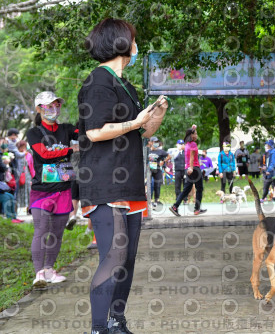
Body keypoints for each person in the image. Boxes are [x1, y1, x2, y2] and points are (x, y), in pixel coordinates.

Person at [78, 18, 169, 334]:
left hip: (129, 183)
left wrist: (155, 116)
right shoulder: (97, 83)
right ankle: (98, 327)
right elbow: (94, 131)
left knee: (126, 260)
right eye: (133, 37)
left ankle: (117, 322)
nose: (136, 43)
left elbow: (142, 132)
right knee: (113, 256)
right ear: (121, 42)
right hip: (104, 183)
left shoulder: (125, 86)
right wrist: (134, 124)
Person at [27, 91, 78, 288]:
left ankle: (49, 269)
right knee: (40, 230)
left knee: (57, 233)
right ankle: (39, 273)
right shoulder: (34, 133)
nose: (54, 109)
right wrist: (71, 149)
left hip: (64, 189)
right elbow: (45, 153)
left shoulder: (66, 129)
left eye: (57, 105)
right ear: (39, 109)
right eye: (49, 106)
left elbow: (85, 135)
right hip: (42, 190)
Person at [170, 126, 207, 216]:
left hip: (188, 169)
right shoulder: (193, 144)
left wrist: (193, 128)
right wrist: (191, 167)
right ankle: (196, 209)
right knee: (199, 189)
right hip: (194, 169)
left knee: (186, 190)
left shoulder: (187, 144)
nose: (197, 135)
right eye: (195, 133)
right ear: (191, 135)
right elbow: (191, 156)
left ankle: (175, 206)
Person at [0, 135, 21, 222]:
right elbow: (0, 165)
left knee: (10, 196)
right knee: (6, 198)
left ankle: (13, 217)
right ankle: (9, 218)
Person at [148, 137, 169, 207]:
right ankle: (149, 200)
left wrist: (163, 162)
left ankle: (157, 200)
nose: (156, 143)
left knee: (157, 185)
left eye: (157, 142)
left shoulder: (160, 151)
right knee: (149, 184)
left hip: (157, 169)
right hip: (149, 170)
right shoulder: (147, 151)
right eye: (154, 142)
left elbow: (169, 156)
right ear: (150, 142)